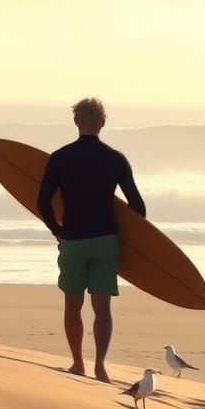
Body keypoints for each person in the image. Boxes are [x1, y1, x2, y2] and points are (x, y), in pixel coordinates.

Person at [37, 98, 146, 383]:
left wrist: (56, 230)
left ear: (76, 122)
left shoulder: (60, 157)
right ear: (103, 123)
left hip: (73, 240)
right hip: (105, 241)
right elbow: (137, 206)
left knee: (72, 307)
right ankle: (100, 364)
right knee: (103, 309)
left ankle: (77, 363)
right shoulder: (116, 159)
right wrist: (128, 238)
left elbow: (42, 202)